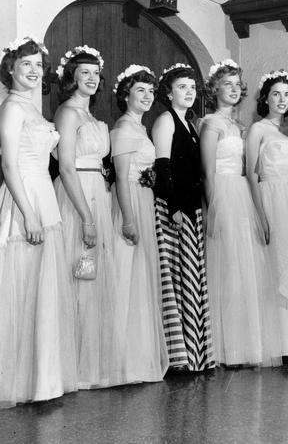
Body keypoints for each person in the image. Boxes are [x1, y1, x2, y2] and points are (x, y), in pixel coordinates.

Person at [0, 36, 77, 408]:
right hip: (24, 199)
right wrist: (28, 212)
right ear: (10, 69)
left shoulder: (33, 109)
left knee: (43, 293)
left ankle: (43, 380)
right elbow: (9, 164)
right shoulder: (12, 108)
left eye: (36, 65)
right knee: (23, 290)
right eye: (24, 64)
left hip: (45, 196)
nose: (32, 71)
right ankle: (20, 381)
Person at [200, 59, 282, 367]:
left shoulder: (239, 127)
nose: (233, 90)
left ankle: (244, 346)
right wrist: (213, 211)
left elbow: (250, 170)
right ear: (215, 89)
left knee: (244, 269)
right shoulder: (211, 123)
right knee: (227, 268)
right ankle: (225, 350)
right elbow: (207, 173)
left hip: (242, 194)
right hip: (222, 193)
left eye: (237, 85)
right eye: (227, 84)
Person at [54, 45, 119, 388]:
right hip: (76, 195)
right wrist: (87, 217)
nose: (92, 79)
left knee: (93, 277)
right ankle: (71, 369)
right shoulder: (67, 113)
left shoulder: (95, 118)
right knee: (75, 272)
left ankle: (90, 366)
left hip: (97, 191)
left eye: (96, 73)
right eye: (85, 73)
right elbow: (65, 166)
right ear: (72, 78)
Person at [152, 63, 214, 371]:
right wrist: (175, 208)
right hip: (174, 210)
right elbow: (163, 168)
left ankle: (195, 355)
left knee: (191, 280)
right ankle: (180, 358)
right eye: (182, 88)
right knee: (178, 281)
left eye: (192, 88)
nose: (188, 93)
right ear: (168, 92)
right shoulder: (165, 120)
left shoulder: (189, 123)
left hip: (191, 208)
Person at [111, 64, 168, 382]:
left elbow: (140, 168)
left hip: (143, 200)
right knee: (127, 277)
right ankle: (124, 361)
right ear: (126, 95)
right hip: (130, 206)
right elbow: (120, 178)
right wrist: (129, 220)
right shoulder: (123, 128)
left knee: (141, 278)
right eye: (139, 91)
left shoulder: (140, 129)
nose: (146, 97)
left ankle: (138, 358)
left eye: (150, 91)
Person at [246, 69, 288, 360]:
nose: (282, 99)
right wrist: (260, 215)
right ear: (265, 98)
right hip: (269, 196)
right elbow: (251, 175)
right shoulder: (257, 130)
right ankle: (278, 344)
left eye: (286, 94)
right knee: (275, 265)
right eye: (275, 94)